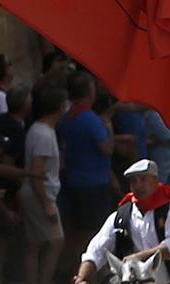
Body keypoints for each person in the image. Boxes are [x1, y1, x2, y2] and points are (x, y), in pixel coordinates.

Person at [20, 84, 66, 284]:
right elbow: (37, 171)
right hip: (40, 194)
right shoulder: (44, 134)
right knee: (55, 242)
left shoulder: (38, 130)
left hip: (35, 193)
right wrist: (46, 203)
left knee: (34, 245)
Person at [57, 72, 116, 245]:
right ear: (89, 93)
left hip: (72, 181)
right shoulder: (91, 120)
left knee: (75, 231)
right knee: (92, 233)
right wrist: (110, 129)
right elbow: (107, 149)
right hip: (93, 184)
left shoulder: (66, 117)